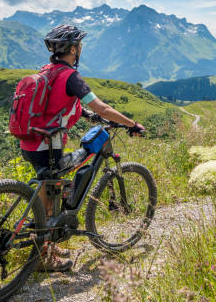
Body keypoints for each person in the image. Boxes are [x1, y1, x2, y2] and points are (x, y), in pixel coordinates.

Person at [21, 24, 145, 272]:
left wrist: (86, 115)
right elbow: (103, 108)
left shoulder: (47, 71)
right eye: (80, 46)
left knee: (51, 190)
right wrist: (131, 124)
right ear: (74, 49)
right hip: (49, 145)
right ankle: (42, 256)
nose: (81, 50)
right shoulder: (71, 77)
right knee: (51, 190)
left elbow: (55, 103)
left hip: (30, 142)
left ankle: (49, 242)